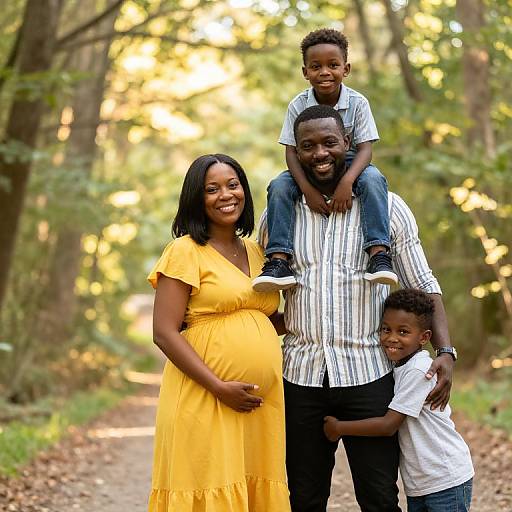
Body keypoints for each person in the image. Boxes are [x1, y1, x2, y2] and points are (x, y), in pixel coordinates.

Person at [258, 105, 456, 512]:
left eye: (330, 142)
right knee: (304, 497)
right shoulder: (277, 214)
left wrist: (446, 352)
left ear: (347, 143)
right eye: (308, 145)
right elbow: (254, 293)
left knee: (379, 496)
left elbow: (424, 284)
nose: (320, 153)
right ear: (296, 150)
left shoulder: (388, 208)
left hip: (368, 374)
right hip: (299, 376)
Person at [147, 154, 291, 511]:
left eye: (233, 184)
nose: (226, 195)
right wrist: (219, 387)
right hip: (205, 396)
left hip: (259, 405)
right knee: (208, 485)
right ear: (197, 198)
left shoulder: (260, 253)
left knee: (251, 488)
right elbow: (164, 332)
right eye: (212, 189)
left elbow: (264, 319)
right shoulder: (184, 251)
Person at [253, 28, 397, 293]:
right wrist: (307, 190)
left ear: (346, 68)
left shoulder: (358, 102)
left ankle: (378, 254)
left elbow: (365, 149)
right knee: (279, 186)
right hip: (307, 164)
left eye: (333, 65)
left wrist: (347, 182)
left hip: (349, 161)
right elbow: (291, 152)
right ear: (305, 72)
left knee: (375, 180)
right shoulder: (298, 104)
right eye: (316, 66)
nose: (324, 72)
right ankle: (278, 260)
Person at [324, 288, 474, 512]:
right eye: (386, 329)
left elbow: (388, 425)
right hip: (420, 483)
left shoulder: (419, 370)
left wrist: (339, 428)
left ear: (424, 337)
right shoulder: (399, 367)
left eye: (403, 332)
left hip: (445, 478)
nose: (391, 338)